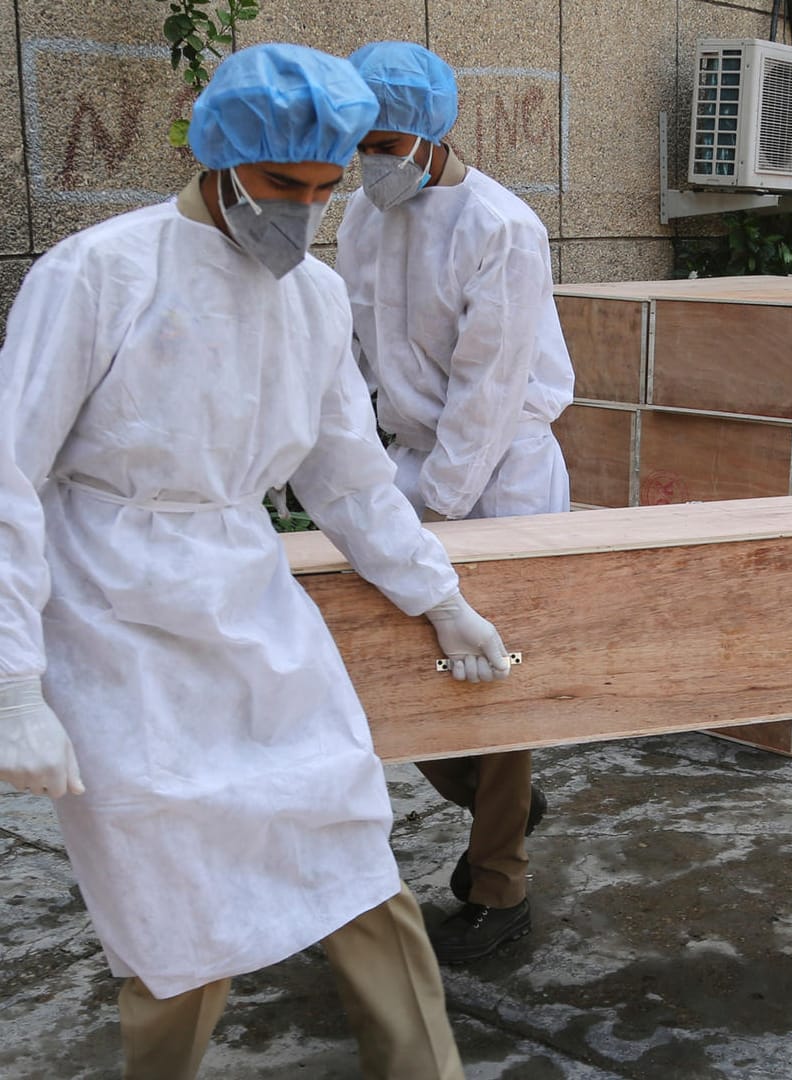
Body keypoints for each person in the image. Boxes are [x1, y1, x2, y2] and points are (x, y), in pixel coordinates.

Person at [0, 43, 518, 1078]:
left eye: (328, 190)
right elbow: (9, 473)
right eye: (285, 184)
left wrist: (438, 595)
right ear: (218, 154)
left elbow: (349, 475)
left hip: (247, 595)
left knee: (347, 839)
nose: (305, 210)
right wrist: (14, 683)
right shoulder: (100, 272)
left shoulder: (314, 299)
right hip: (114, 621)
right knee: (171, 903)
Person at [338, 41, 574, 963]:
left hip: (500, 471)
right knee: (401, 659)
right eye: (360, 142)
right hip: (408, 460)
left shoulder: (502, 227)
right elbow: (362, 356)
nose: (371, 159)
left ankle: (500, 889)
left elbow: (486, 393)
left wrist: (426, 519)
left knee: (490, 680)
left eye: (386, 139)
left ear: (435, 133)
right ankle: (496, 802)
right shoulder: (364, 214)